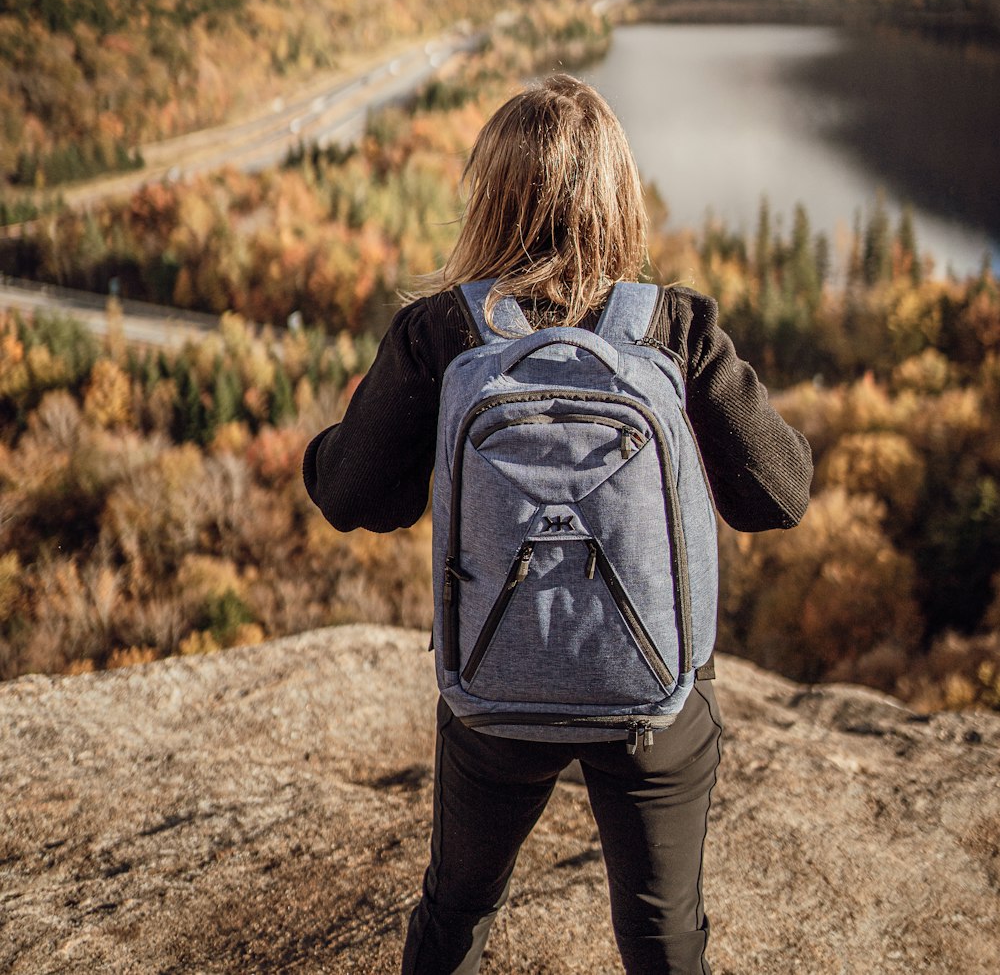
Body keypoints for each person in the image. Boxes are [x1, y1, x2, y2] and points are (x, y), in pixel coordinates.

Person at [303, 73, 813, 975]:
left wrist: (322, 450)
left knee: (456, 910)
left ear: (488, 201)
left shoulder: (441, 334)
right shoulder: (675, 328)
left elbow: (355, 500)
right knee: (664, 938)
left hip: (495, 698)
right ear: (619, 197)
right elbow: (778, 496)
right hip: (651, 703)